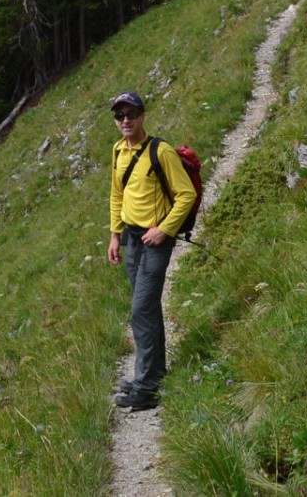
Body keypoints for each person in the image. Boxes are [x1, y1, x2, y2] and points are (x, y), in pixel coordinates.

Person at [106, 89, 197, 411]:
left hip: (156, 239)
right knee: (147, 309)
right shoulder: (118, 151)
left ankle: (145, 388)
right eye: (120, 116)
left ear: (143, 115)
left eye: (131, 114)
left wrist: (164, 230)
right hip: (131, 239)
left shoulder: (161, 151)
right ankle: (153, 375)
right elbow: (118, 195)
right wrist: (115, 235)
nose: (126, 120)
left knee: (140, 310)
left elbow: (185, 195)